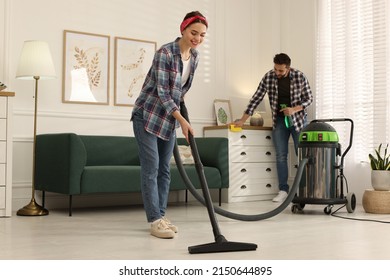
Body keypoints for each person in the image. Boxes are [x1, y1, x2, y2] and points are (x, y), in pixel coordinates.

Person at [131, 11, 208, 239]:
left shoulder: (194, 57)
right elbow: (164, 93)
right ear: (183, 29)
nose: (197, 38)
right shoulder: (165, 53)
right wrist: (182, 120)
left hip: (168, 119)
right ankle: (154, 220)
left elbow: (180, 91)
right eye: (193, 33)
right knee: (152, 167)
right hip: (147, 115)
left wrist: (182, 116)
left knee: (165, 169)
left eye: (202, 35)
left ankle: (161, 217)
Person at [233, 53, 313, 203]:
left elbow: (309, 99)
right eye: (275, 69)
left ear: (288, 68)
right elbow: (256, 98)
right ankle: (283, 190)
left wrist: (294, 109)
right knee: (281, 156)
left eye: (281, 71)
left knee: (302, 156)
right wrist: (243, 120)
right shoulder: (269, 77)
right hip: (280, 121)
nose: (277, 73)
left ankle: (304, 190)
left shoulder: (299, 76)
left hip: (298, 120)